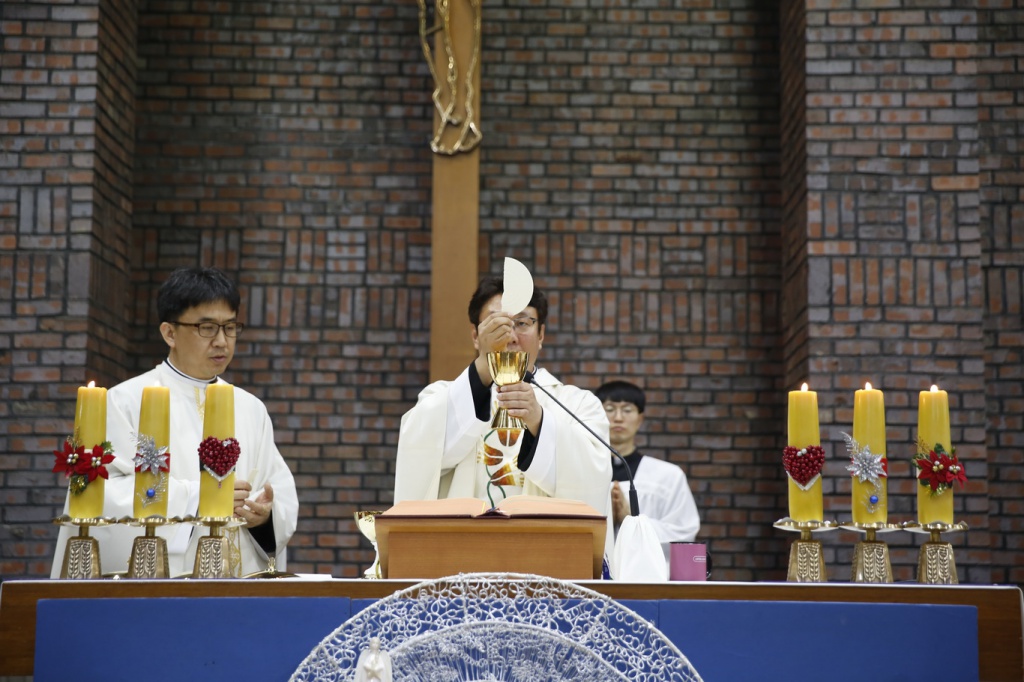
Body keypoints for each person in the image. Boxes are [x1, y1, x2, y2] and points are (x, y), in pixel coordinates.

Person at [51, 267, 298, 577]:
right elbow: (103, 495)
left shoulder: (251, 408)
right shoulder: (125, 401)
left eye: (230, 327)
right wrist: (199, 496)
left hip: (241, 586)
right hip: (164, 587)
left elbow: (280, 494)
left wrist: (264, 517)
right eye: (207, 327)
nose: (221, 341)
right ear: (169, 333)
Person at [394, 275, 612, 531]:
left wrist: (538, 422)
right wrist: (486, 366)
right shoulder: (441, 399)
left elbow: (591, 481)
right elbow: (420, 455)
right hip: (461, 554)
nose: (509, 336)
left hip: (544, 555)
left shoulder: (578, 405)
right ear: (476, 336)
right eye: (496, 324)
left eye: (522, 323)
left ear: (540, 334)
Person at [596, 380, 700, 564]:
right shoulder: (582, 473)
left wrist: (634, 521)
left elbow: (685, 533)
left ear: (640, 419)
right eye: (610, 409)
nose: (618, 418)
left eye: (627, 410)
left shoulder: (667, 476)